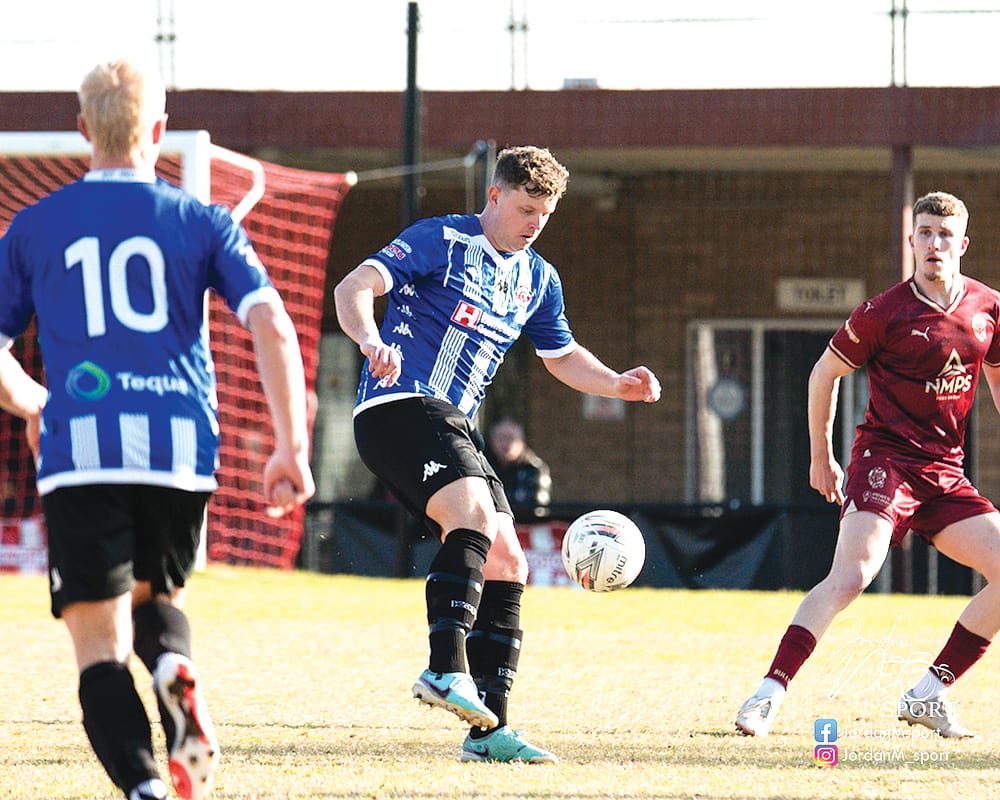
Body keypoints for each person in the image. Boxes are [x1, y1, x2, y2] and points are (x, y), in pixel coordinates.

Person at [0, 57, 315, 800]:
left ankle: (143, 786)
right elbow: (270, 319)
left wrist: (32, 401)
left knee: (98, 647)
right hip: (180, 450)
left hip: (81, 449)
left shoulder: (35, 225)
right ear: (160, 132)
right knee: (154, 603)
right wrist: (290, 444)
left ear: (83, 130)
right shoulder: (200, 220)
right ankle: (173, 666)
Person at [334, 145, 660, 763]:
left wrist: (617, 382)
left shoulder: (538, 278)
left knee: (509, 562)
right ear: (493, 197)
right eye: (525, 208)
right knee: (477, 522)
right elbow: (354, 288)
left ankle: (490, 735)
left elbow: (561, 357)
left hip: (451, 422)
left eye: (546, 213)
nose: (535, 222)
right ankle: (442, 668)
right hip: (399, 405)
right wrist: (371, 339)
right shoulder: (440, 241)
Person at [735, 191, 1000, 740]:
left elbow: (997, 380)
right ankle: (769, 692)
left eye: (944, 235)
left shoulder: (988, 308)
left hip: (945, 471)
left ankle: (929, 693)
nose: (933, 244)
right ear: (911, 242)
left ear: (963, 244)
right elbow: (822, 374)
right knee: (853, 575)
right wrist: (820, 455)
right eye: (924, 233)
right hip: (885, 461)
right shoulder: (884, 312)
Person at [486, 417, 552, 517]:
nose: (505, 444)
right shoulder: (484, 467)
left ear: (521, 442)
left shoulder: (535, 469)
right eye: (500, 438)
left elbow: (539, 510)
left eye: (510, 438)